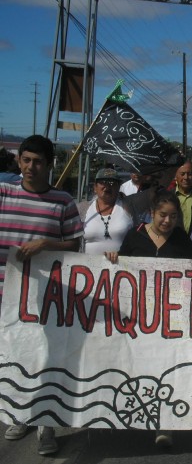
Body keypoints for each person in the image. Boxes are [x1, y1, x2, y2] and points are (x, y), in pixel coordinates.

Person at [0, 135, 83, 456]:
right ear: (18, 161)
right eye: (26, 160)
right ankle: (19, 416)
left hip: (46, 301)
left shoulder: (63, 202)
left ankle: (46, 424)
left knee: (45, 362)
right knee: (12, 360)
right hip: (6, 299)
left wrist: (47, 245)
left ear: (50, 165)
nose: (31, 167)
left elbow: (75, 246)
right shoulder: (4, 193)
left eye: (38, 162)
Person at [105, 189, 192, 447]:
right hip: (138, 317)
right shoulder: (135, 237)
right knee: (138, 365)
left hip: (170, 319)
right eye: (163, 215)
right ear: (152, 214)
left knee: (166, 367)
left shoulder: (182, 240)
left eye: (173, 216)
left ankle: (163, 423)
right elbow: (121, 271)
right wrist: (114, 259)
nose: (167, 221)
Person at [81, 168, 133, 255]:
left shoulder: (129, 205)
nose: (107, 187)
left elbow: (151, 194)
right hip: (87, 267)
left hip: (121, 266)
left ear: (118, 187)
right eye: (103, 182)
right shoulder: (82, 209)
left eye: (112, 183)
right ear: (95, 187)